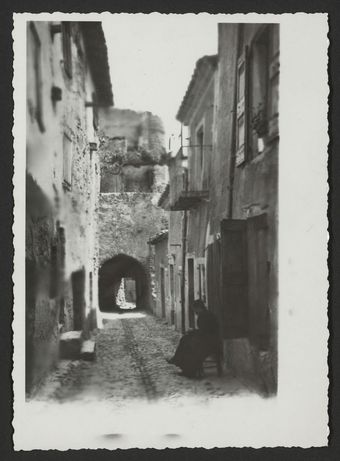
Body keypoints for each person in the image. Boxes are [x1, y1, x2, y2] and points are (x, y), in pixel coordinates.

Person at [167, 299, 222, 378]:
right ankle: (179, 362)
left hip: (210, 343)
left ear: (199, 308)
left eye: (194, 309)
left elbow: (204, 332)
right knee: (185, 340)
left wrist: (193, 331)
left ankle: (188, 370)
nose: (194, 311)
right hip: (210, 340)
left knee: (189, 347)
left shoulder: (204, 316)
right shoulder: (206, 314)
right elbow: (204, 331)